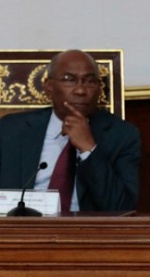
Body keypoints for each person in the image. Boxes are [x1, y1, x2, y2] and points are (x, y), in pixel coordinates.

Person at [0, 49, 140, 212]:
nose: (80, 90)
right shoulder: (11, 129)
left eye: (90, 81)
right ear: (49, 87)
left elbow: (121, 207)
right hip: (18, 224)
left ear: (99, 88)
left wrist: (89, 150)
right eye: (69, 80)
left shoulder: (122, 135)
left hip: (83, 227)